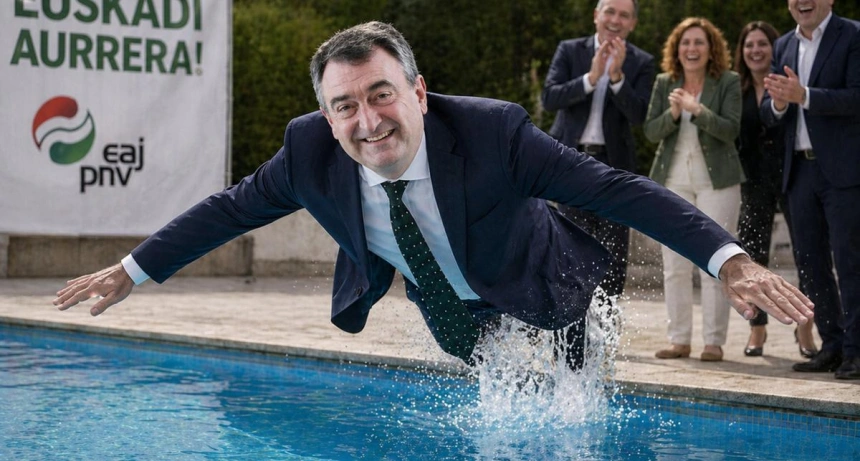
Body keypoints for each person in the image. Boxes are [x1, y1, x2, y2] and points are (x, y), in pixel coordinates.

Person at [53, 21, 813, 371]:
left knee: (577, 392)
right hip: (450, 305)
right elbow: (227, 211)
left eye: (382, 94)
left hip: (542, 277)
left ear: (418, 92)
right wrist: (133, 269)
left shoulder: (493, 134)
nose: (368, 121)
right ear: (326, 116)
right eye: (345, 106)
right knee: (492, 390)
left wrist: (729, 260)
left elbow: (617, 189)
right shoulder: (308, 152)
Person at [761, 1, 860, 379]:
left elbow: (856, 97)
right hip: (799, 171)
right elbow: (769, 111)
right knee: (811, 264)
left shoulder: (853, 35)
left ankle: (856, 350)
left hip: (844, 173)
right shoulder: (783, 44)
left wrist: (805, 95)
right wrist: (779, 103)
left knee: (850, 262)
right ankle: (831, 346)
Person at [644, 17, 744, 362]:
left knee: (716, 261)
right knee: (674, 265)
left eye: (699, 42)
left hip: (718, 183)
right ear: (676, 49)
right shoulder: (664, 82)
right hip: (673, 181)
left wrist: (697, 110)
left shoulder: (728, 81)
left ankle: (713, 341)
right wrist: (673, 114)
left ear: (711, 48)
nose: (692, 48)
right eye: (685, 42)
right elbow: (651, 132)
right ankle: (679, 340)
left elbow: (730, 130)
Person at [541, 0, 655, 299]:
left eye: (624, 15)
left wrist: (617, 78)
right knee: (569, 249)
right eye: (610, 12)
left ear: (633, 23)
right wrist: (590, 79)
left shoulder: (642, 62)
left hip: (614, 167)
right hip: (570, 162)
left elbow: (640, 115)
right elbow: (549, 98)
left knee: (613, 254)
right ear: (596, 16)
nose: (615, 20)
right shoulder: (569, 50)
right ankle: (570, 319)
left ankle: (608, 324)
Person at [733, 21, 818, 359]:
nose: (755, 50)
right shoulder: (735, 88)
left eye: (762, 44)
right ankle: (757, 328)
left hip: (793, 175)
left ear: (774, 48)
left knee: (807, 254)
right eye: (749, 45)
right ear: (741, 52)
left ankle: (805, 325)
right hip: (752, 181)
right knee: (752, 256)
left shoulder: (787, 81)